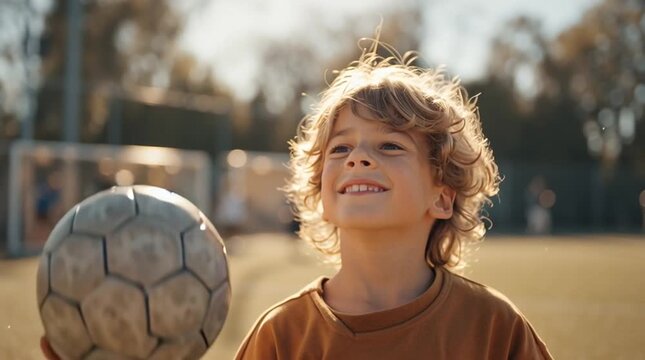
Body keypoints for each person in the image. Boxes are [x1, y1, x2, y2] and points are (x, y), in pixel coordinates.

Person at [235, 40, 552, 359]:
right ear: (321, 195)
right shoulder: (281, 335)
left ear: (442, 198)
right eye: (340, 148)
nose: (357, 158)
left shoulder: (494, 327)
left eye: (390, 146)